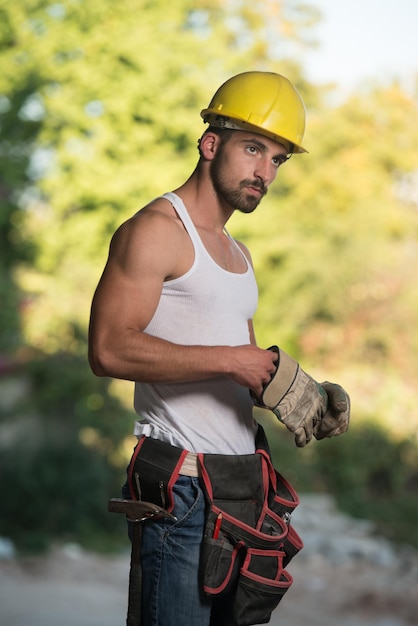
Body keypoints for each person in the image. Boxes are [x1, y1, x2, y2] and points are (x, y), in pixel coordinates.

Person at [88, 71, 349, 626]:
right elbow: (108, 349)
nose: (264, 171)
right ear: (211, 143)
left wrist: (295, 390)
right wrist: (234, 359)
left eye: (278, 159)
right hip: (181, 494)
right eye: (253, 148)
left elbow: (242, 370)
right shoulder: (157, 229)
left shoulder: (237, 253)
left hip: (239, 493)